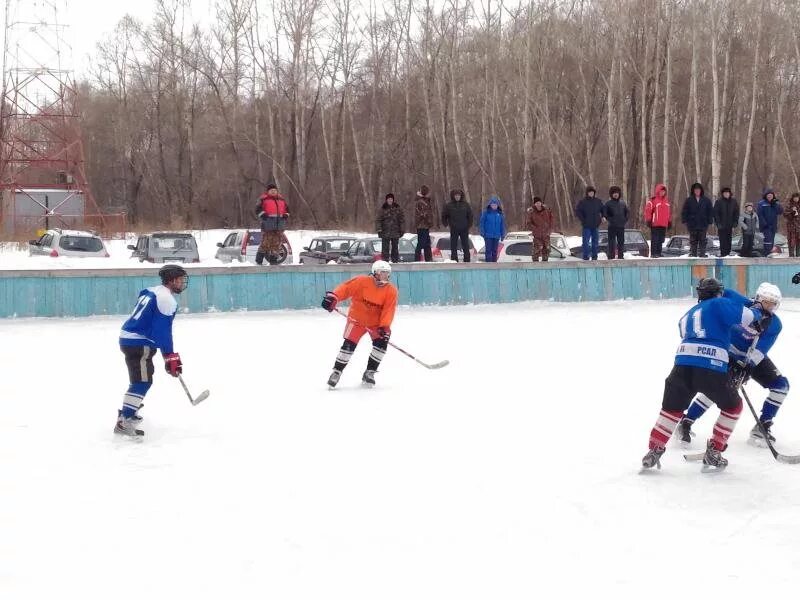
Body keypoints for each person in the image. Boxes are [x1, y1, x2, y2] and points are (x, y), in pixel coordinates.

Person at [641, 277, 766, 471]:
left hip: (682, 364)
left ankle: (654, 450)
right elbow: (749, 317)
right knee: (733, 406)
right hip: (711, 365)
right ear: (718, 292)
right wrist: (758, 308)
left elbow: (694, 333)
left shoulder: (687, 314)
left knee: (671, 410)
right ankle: (714, 451)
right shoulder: (720, 303)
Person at [676, 283, 786, 446]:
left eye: (773, 304)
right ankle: (686, 421)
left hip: (750, 357)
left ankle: (763, 426)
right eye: (766, 301)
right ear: (757, 298)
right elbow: (721, 292)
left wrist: (748, 366)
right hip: (727, 353)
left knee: (781, 386)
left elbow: (762, 348)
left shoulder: (775, 324)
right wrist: (710, 288)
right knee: (718, 388)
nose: (770, 306)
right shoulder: (740, 302)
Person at [115, 264, 188, 437]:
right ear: (171, 281)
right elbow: (162, 331)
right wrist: (169, 356)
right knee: (142, 382)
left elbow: (152, 321)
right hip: (139, 343)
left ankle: (128, 412)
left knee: (141, 379)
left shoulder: (151, 290)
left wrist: (167, 356)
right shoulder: (167, 300)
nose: (182, 283)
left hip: (130, 338)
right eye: (179, 279)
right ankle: (125, 420)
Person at [321, 260, 398, 388]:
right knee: (348, 346)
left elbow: (388, 310)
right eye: (382, 273)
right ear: (375, 273)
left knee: (381, 344)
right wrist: (334, 297)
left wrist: (385, 326)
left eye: (387, 273)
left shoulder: (391, 291)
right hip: (357, 320)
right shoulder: (362, 282)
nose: (385, 276)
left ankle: (370, 372)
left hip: (375, 324)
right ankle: (337, 372)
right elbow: (345, 289)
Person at [255, 182, 289, 265]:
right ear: (268, 191)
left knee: (277, 244)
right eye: (271, 190)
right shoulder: (263, 199)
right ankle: (259, 260)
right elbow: (257, 209)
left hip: (279, 226)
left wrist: (286, 215)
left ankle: (273, 261)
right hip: (268, 225)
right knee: (265, 243)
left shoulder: (282, 200)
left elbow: (287, 210)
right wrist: (263, 215)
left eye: (275, 190)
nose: (273, 192)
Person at [680, 182, 713, 257]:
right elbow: (684, 211)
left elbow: (710, 211)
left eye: (698, 190)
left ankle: (702, 254)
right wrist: (684, 220)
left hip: (703, 223)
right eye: (696, 190)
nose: (697, 191)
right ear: (693, 191)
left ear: (701, 191)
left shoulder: (706, 200)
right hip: (692, 224)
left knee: (703, 240)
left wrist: (710, 220)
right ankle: (693, 254)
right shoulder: (689, 200)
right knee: (693, 240)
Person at [441, 189, 473, 262]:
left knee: (465, 245)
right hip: (454, 228)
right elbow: (444, 216)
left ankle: (467, 260)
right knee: (453, 245)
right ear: (453, 196)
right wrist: (446, 225)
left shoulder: (465, 205)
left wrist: (469, 225)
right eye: (456, 195)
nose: (457, 197)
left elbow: (470, 216)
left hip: (464, 228)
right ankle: (454, 260)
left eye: (459, 195)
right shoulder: (449, 205)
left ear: (461, 196)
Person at [575, 186, 604, 260]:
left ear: (594, 193)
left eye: (592, 192)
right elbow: (578, 211)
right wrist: (583, 220)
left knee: (595, 242)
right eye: (590, 192)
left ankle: (595, 256)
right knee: (586, 242)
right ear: (587, 193)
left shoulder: (598, 201)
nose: (591, 193)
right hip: (586, 226)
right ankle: (586, 256)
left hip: (595, 225)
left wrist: (602, 217)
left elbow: (603, 210)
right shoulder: (583, 202)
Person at [376, 193, 405, 262]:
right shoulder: (383, 209)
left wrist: (402, 229)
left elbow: (402, 220)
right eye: (389, 199)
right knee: (385, 248)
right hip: (385, 232)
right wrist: (379, 229)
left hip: (395, 231)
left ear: (393, 200)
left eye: (391, 199)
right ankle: (385, 261)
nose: (390, 200)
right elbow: (378, 220)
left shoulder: (398, 208)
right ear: (386, 200)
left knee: (395, 247)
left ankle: (395, 260)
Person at [644, 183, 671, 258]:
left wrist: (669, 221)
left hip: (663, 224)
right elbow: (648, 210)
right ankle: (653, 253)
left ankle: (659, 252)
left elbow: (668, 213)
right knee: (655, 239)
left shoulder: (666, 201)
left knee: (661, 239)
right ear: (658, 191)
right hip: (655, 223)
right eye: (661, 191)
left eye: (664, 191)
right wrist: (648, 220)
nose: (662, 193)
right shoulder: (653, 200)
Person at [603, 186, 629, 259]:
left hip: (621, 226)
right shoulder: (608, 203)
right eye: (614, 193)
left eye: (617, 193)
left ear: (619, 194)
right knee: (611, 242)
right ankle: (611, 256)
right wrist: (607, 218)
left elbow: (627, 212)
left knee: (621, 242)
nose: (616, 194)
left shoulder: (623, 203)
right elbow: (605, 213)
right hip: (612, 226)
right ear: (611, 194)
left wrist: (625, 220)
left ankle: (621, 256)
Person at [479, 195, 507, 262]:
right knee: (488, 250)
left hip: (496, 235)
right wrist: (482, 231)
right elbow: (481, 223)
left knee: (495, 251)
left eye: (495, 205)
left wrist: (503, 234)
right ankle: (488, 264)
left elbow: (502, 225)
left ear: (497, 205)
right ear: (490, 205)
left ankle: (494, 264)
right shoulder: (486, 213)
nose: (494, 206)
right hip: (488, 235)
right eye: (493, 204)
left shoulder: (500, 214)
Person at [713, 187, 740, 257]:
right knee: (722, 240)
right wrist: (718, 223)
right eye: (725, 193)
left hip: (730, 224)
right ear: (723, 194)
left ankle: (728, 253)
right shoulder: (719, 201)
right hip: (721, 225)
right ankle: (723, 253)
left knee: (729, 239)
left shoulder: (733, 201)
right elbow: (716, 213)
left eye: (727, 193)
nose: (726, 194)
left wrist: (735, 222)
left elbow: (736, 212)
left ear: (730, 193)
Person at [527, 196, 554, 262]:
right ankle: (535, 266)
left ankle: (545, 264)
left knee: (547, 250)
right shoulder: (531, 212)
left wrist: (550, 229)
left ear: (541, 203)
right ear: (534, 204)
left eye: (539, 203)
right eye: (536, 203)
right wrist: (535, 229)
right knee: (536, 250)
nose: (538, 204)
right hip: (537, 235)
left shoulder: (547, 210)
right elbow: (528, 223)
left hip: (546, 234)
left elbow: (552, 220)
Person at [757, 188, 783, 256]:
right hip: (765, 226)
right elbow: (760, 214)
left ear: (773, 196)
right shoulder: (761, 203)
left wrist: (776, 204)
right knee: (767, 240)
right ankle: (766, 253)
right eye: (768, 195)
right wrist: (764, 224)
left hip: (773, 225)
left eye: (771, 195)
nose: (769, 196)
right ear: (765, 196)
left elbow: (780, 212)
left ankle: (770, 254)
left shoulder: (775, 203)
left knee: (771, 240)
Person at [414, 185, 434, 262]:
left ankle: (428, 259)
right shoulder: (420, 202)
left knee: (427, 244)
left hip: (426, 226)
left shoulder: (426, 201)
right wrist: (429, 221)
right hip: (422, 226)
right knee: (421, 243)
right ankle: (417, 259)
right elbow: (422, 214)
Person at [784, 192, 800, 257]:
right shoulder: (789, 205)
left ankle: (798, 256)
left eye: (797, 197)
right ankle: (791, 256)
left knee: (799, 243)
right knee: (791, 243)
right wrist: (791, 213)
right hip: (791, 228)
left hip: (799, 228)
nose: (796, 199)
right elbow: (785, 214)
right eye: (795, 197)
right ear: (793, 198)